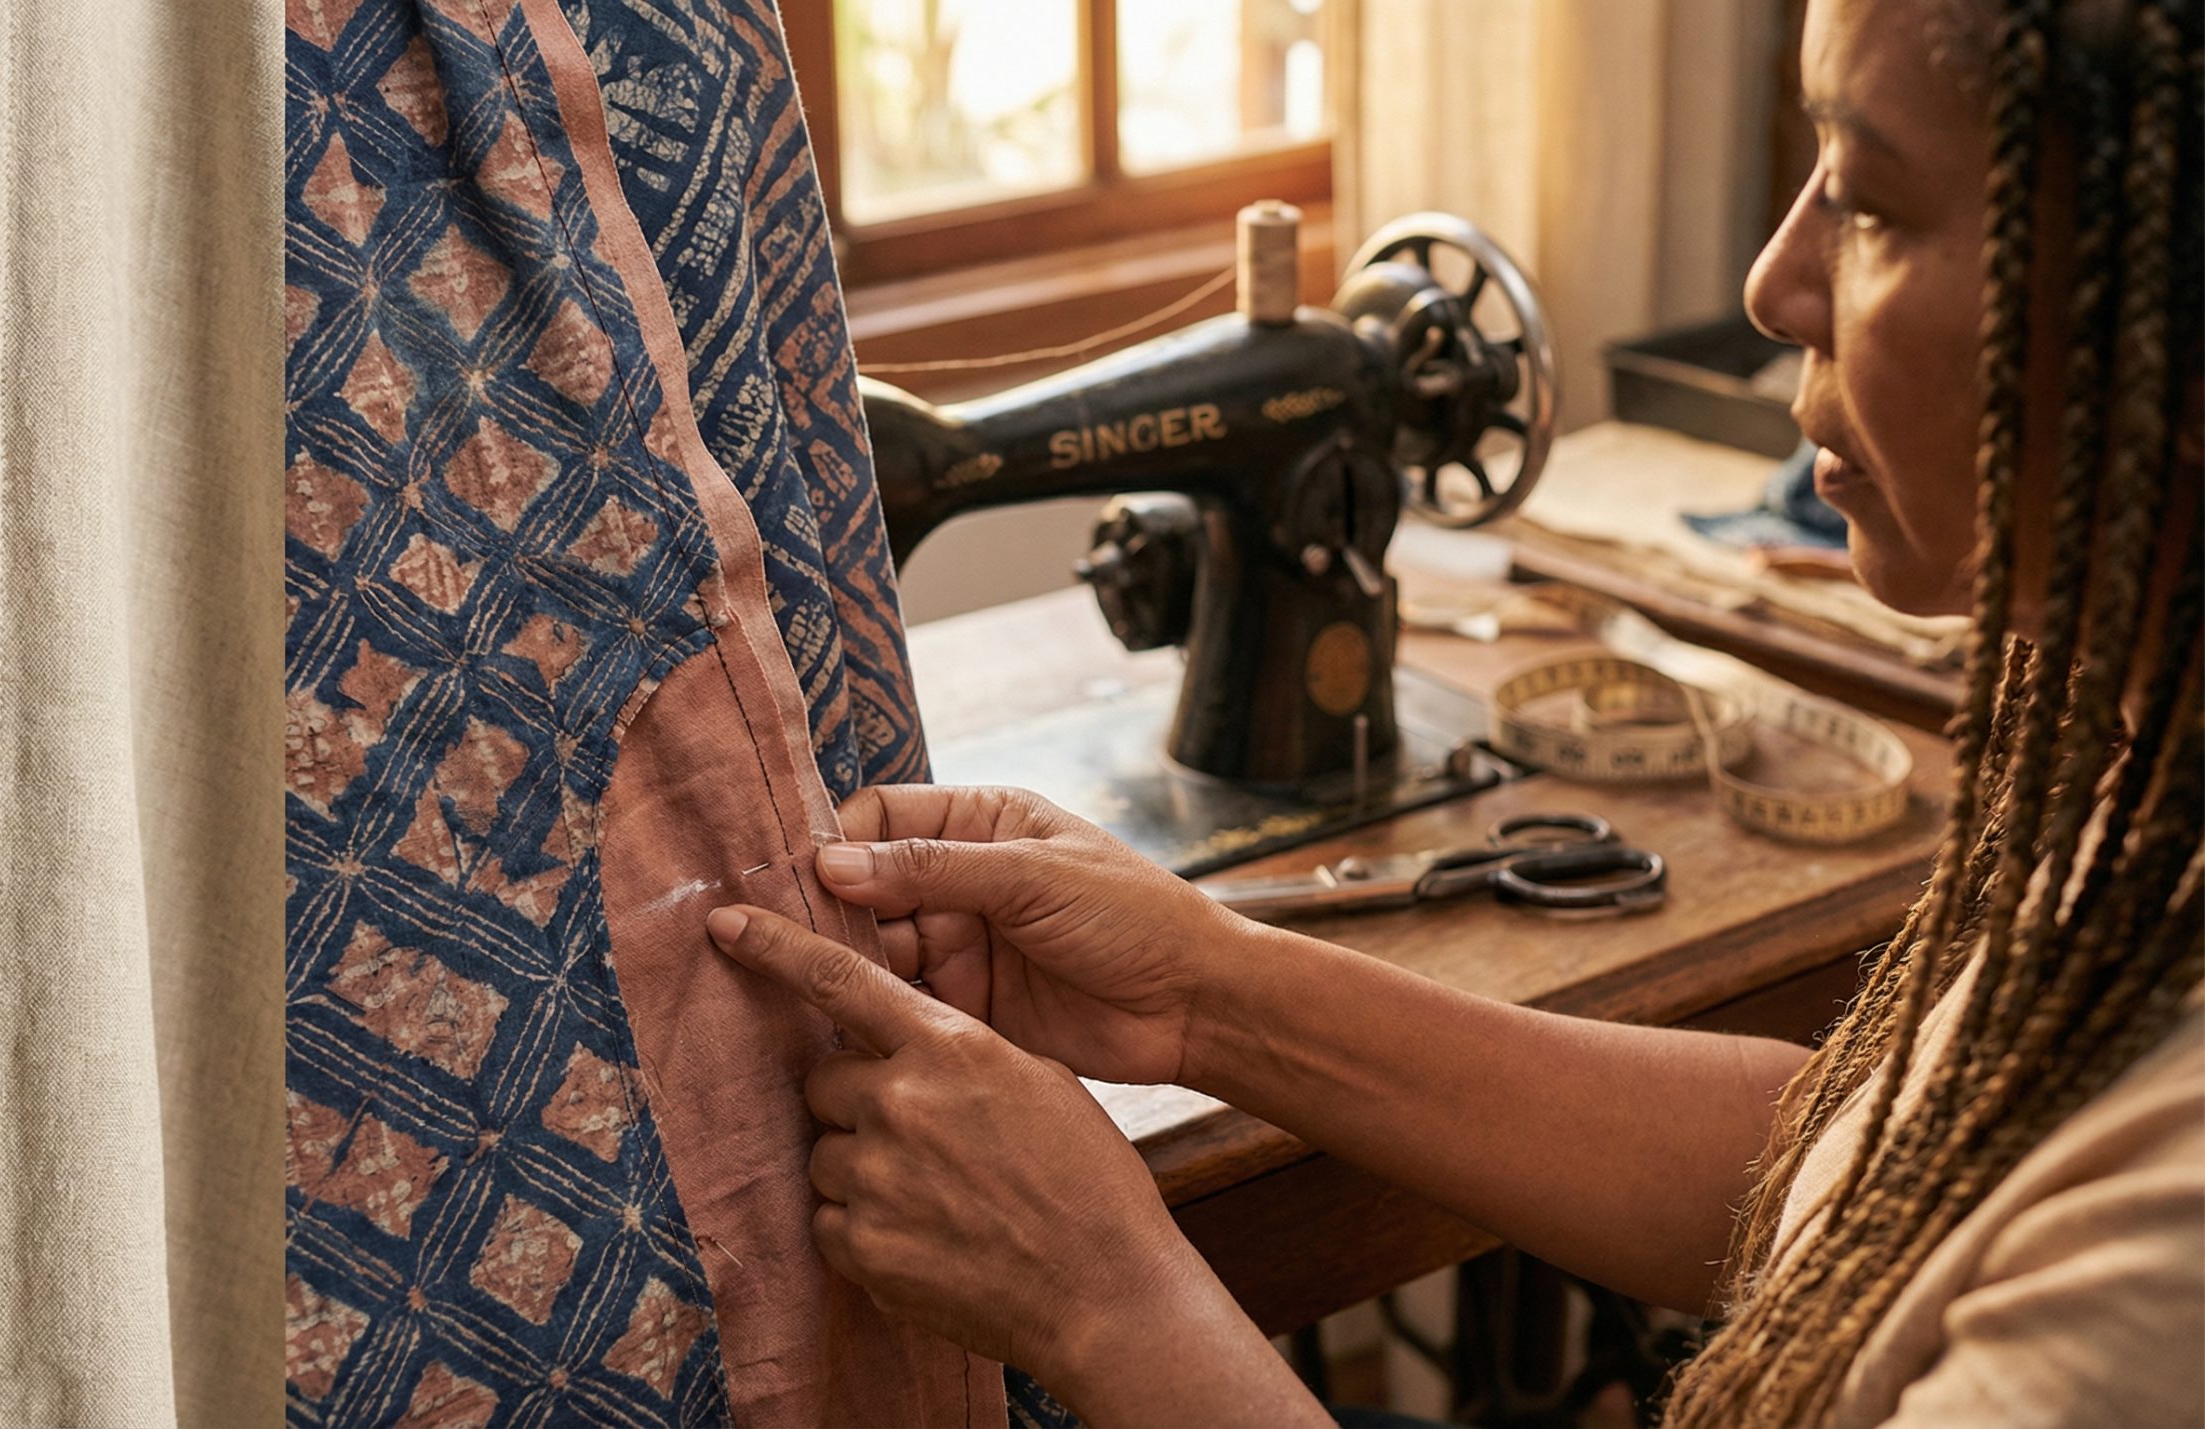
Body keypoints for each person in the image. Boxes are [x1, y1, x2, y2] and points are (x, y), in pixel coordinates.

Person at [701, 0, 2204, 1422]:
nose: (1773, 283)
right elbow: (1845, 1170)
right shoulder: (2144, 803)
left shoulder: (2170, 1247)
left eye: (1866, 201)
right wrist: (1209, 989)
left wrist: (1102, 1293)